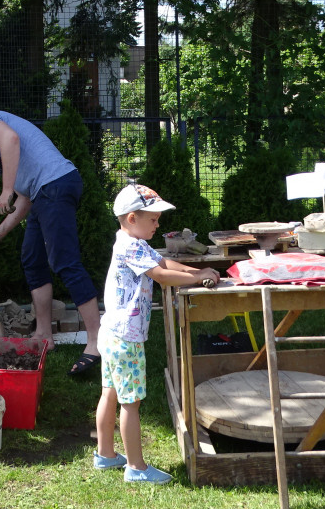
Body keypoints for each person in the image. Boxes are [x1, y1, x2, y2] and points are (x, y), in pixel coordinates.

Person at [0, 112, 102, 375]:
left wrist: (6, 189)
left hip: (55, 185)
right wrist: (1, 231)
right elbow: (25, 198)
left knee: (65, 262)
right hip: (42, 192)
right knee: (32, 259)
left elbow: (11, 138)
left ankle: (97, 343)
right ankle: (43, 335)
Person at [93, 184, 220, 484]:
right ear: (133, 217)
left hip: (111, 332)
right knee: (130, 403)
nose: (158, 223)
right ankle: (136, 468)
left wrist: (194, 272)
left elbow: (163, 262)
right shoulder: (132, 246)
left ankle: (105, 454)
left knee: (110, 393)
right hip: (127, 338)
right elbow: (161, 275)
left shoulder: (129, 240)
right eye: (153, 218)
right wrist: (200, 275)